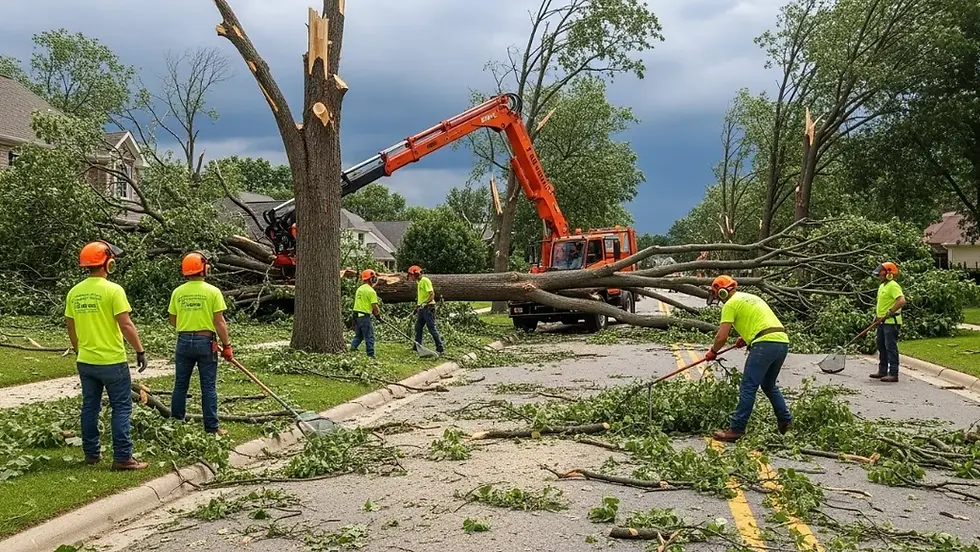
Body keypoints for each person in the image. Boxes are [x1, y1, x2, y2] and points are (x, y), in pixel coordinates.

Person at [65, 241, 148, 470]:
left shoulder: (75, 292)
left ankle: (91, 454)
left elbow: (70, 327)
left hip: (86, 361)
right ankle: (123, 457)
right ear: (107, 263)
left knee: (90, 407)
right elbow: (126, 325)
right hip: (112, 361)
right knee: (121, 407)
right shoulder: (113, 290)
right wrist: (140, 351)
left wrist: (78, 349)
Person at [705, 275, 792, 442]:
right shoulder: (751, 297)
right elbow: (760, 321)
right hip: (781, 342)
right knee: (768, 384)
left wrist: (713, 351)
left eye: (716, 293)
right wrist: (745, 338)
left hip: (764, 345)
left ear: (722, 292)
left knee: (748, 386)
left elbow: (721, 337)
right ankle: (785, 421)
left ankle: (736, 429)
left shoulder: (730, 304)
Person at [168, 251, 233, 435]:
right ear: (203, 268)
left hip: (183, 341)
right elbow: (219, 321)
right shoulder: (213, 292)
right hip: (206, 342)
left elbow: (172, 320)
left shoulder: (178, 292)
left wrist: (188, 324)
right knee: (208, 386)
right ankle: (212, 427)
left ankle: (176, 422)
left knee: (180, 384)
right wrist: (226, 345)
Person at [870, 262, 906, 383]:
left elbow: (901, 301)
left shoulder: (893, 285)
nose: (879, 276)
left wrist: (890, 312)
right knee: (881, 345)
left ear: (889, 274)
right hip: (881, 321)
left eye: (881, 274)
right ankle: (882, 370)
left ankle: (893, 373)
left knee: (890, 346)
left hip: (891, 322)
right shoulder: (882, 286)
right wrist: (877, 316)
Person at [408, 265, 444, 356]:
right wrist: (418, 306)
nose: (411, 277)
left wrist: (425, 303)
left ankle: (440, 348)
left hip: (428, 308)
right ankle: (417, 346)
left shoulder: (425, 281)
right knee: (418, 327)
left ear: (416, 274)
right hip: (422, 309)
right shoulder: (419, 282)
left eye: (411, 275)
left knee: (432, 328)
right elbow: (422, 296)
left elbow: (431, 295)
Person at [351, 269, 382, 359]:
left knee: (359, 335)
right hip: (364, 316)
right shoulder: (371, 291)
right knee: (369, 335)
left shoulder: (359, 289)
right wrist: (378, 315)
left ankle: (353, 347)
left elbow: (363, 303)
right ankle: (370, 354)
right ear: (371, 279)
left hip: (356, 315)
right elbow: (374, 306)